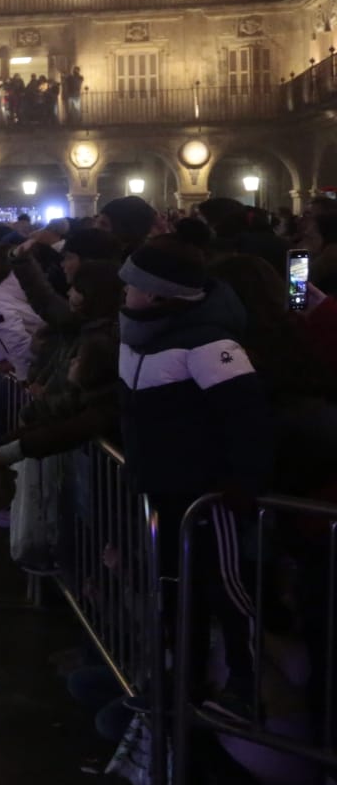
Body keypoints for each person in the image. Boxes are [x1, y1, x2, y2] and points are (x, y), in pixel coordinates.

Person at [117, 239, 273, 711]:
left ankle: (249, 686)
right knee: (173, 588)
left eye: (132, 284)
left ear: (158, 294)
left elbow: (246, 417)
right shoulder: (138, 335)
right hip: (160, 484)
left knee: (223, 587)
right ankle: (182, 678)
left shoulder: (209, 342)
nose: (123, 289)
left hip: (204, 494)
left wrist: (236, 485)